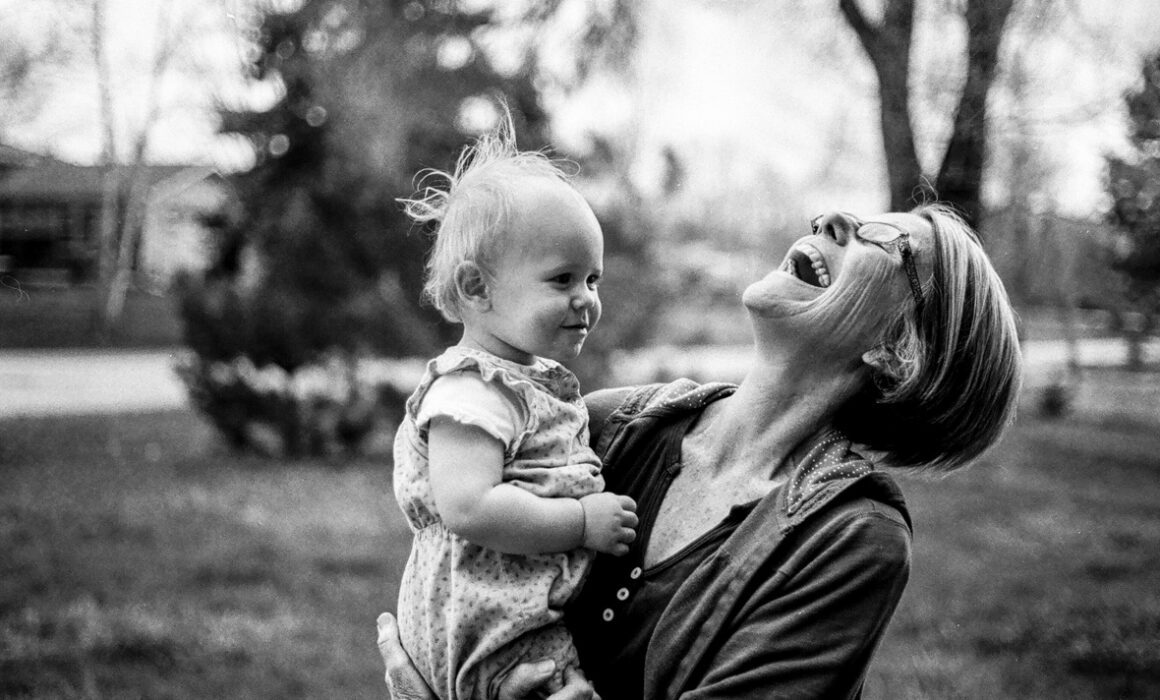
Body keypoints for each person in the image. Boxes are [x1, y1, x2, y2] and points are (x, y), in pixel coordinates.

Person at [379, 205, 1023, 699]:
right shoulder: (602, 426)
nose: (831, 218)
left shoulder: (853, 542)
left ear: (900, 348)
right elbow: (449, 583)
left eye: (887, 241)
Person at [390, 117, 639, 700]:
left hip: (520, 622)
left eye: (593, 279)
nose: (587, 299)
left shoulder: (522, 382)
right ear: (477, 289)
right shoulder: (471, 389)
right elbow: (469, 506)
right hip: (489, 636)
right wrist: (580, 523)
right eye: (562, 279)